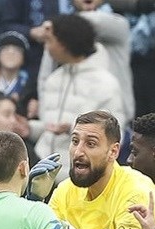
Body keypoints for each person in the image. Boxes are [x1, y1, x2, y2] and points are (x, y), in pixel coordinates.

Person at [31, 15, 125, 177]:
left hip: (80, 177)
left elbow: (115, 136)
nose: (47, 47)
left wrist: (72, 130)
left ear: (64, 43)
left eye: (50, 40)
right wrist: (29, 128)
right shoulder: (54, 79)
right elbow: (48, 127)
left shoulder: (106, 84)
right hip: (43, 174)